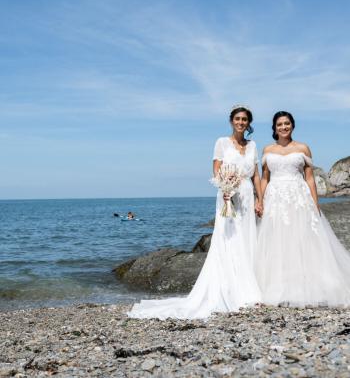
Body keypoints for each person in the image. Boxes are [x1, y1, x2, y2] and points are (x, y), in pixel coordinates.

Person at [127, 105, 263, 320]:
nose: (241, 122)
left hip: (247, 194)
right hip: (228, 195)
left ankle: (249, 286)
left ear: (249, 123)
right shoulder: (221, 142)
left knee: (246, 238)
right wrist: (225, 189)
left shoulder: (253, 145)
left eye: (245, 119)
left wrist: (260, 200)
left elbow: (256, 175)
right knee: (229, 239)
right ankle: (229, 289)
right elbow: (216, 170)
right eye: (237, 119)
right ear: (231, 121)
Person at [256, 111, 350, 307]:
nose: (284, 127)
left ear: (292, 125)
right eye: (280, 124)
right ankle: (279, 285)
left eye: (287, 123)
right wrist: (260, 200)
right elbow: (265, 178)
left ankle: (307, 285)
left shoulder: (303, 148)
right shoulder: (267, 149)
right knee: (277, 240)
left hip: (299, 197)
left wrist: (316, 203)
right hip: (275, 199)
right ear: (274, 128)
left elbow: (309, 178)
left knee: (302, 238)